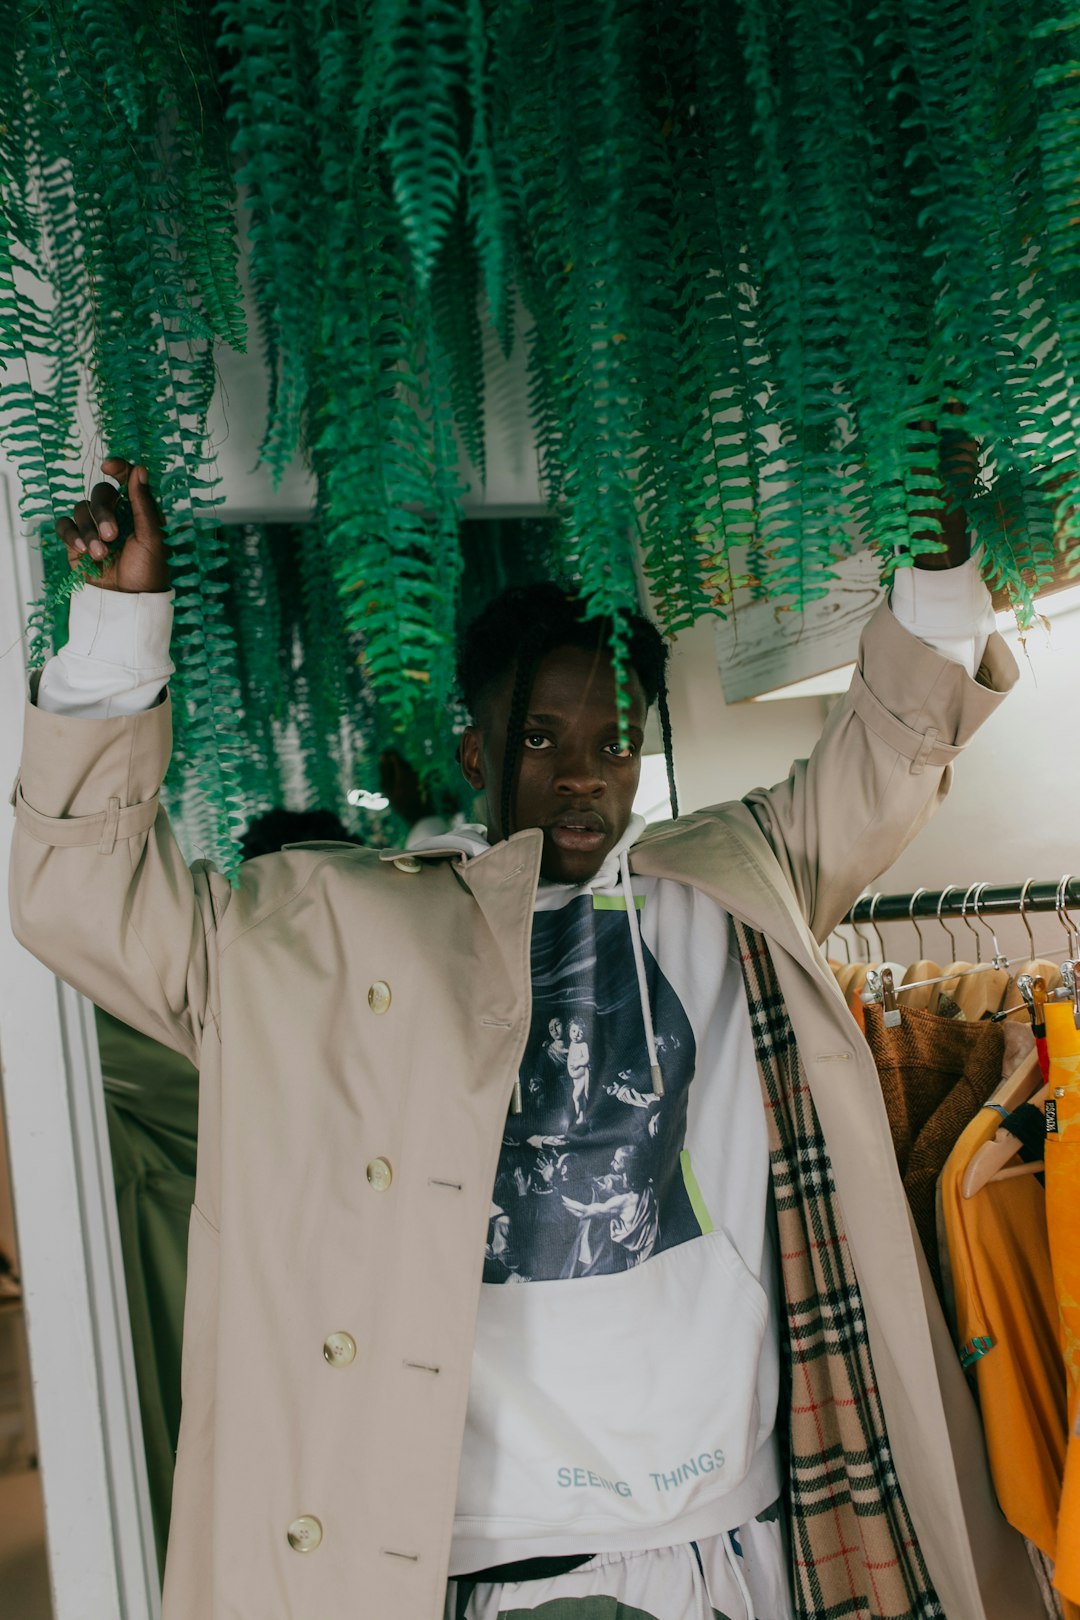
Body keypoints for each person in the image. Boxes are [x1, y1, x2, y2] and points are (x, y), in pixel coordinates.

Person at [8, 454, 1042, 1620]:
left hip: (734, 1535)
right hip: (493, 1553)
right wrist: (114, 637)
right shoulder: (344, 940)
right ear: (473, 752)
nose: (582, 778)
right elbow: (86, 902)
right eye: (541, 740)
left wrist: (941, 557)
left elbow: (895, 750)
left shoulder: (728, 886)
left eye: (613, 742)